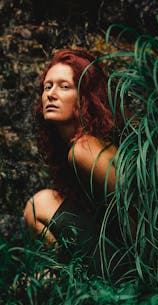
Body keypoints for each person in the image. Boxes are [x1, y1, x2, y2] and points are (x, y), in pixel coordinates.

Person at [23, 48, 118, 268]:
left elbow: (133, 209)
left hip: (131, 261)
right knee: (40, 202)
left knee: (40, 204)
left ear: (85, 98)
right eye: (48, 87)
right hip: (109, 247)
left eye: (64, 87)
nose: (51, 94)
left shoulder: (84, 148)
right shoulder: (71, 145)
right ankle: (65, 275)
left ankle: (65, 276)